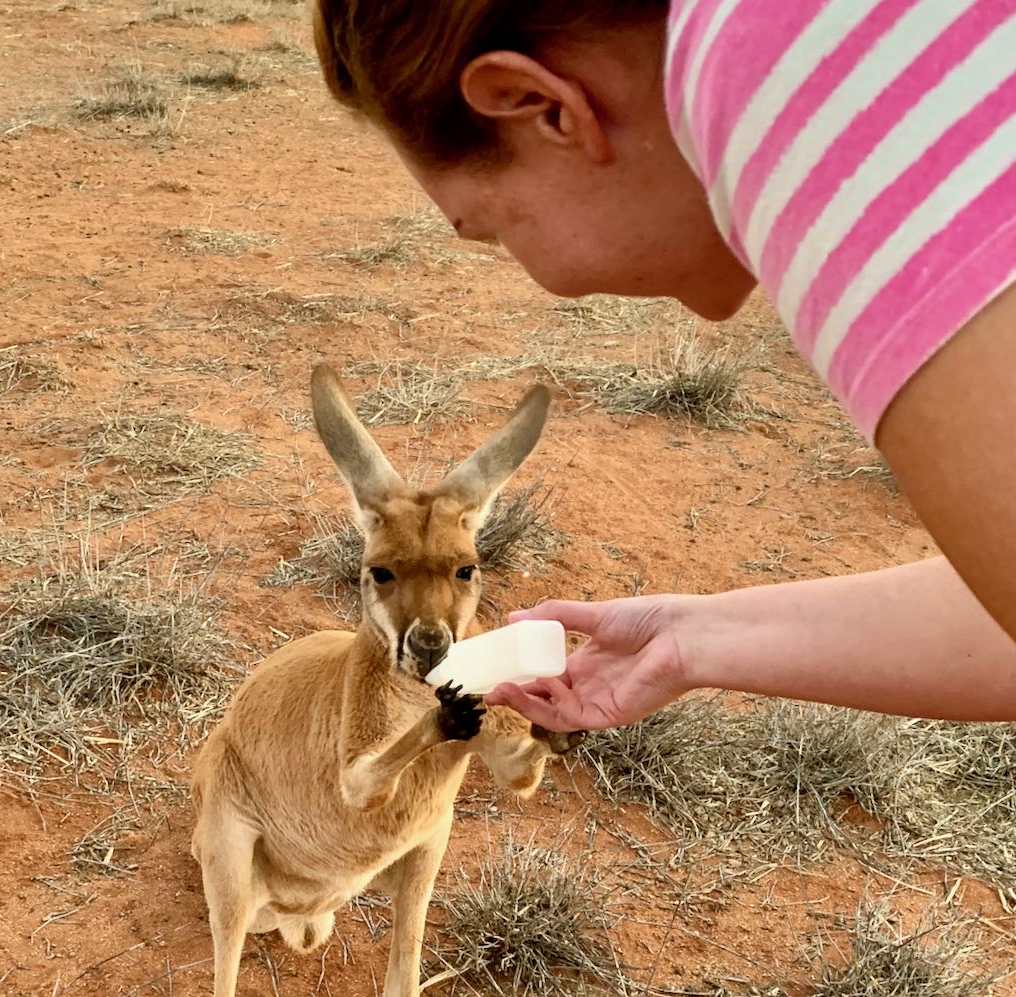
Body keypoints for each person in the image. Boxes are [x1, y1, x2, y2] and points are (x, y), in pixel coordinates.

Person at [312, 0, 1016, 730]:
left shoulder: (803, 84)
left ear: (540, 107)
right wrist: (688, 640)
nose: (535, 274)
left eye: (487, 229)